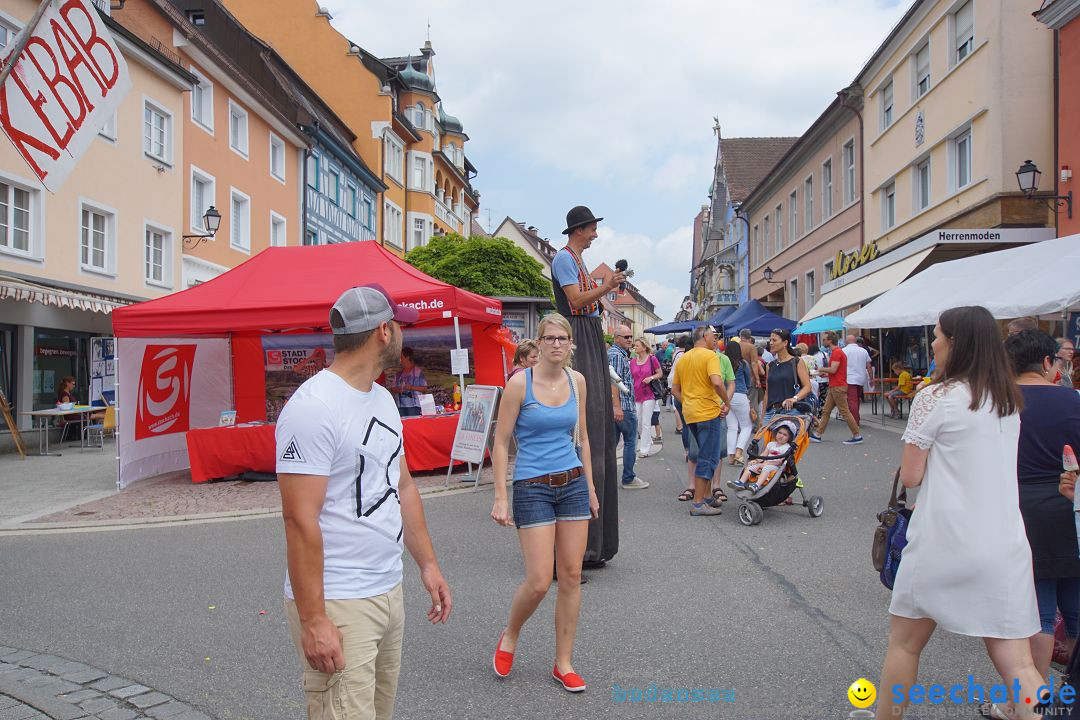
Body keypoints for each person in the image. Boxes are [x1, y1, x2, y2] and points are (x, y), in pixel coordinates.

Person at [276, 285, 452, 720]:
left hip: (387, 590)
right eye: (399, 324)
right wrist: (314, 620)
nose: (402, 333)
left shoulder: (382, 399)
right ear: (382, 332)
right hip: (339, 600)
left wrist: (427, 565)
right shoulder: (313, 407)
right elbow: (300, 521)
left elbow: (403, 485)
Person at [874, 306, 1043, 720]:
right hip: (1004, 542)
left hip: (944, 539)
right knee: (1019, 664)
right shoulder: (1007, 399)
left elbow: (911, 477)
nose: (932, 343)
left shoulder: (936, 397)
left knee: (905, 643)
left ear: (955, 341)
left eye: (937, 335)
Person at [490, 313, 598, 693]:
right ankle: (511, 634)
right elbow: (501, 442)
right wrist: (500, 496)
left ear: (571, 344)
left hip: (572, 484)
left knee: (570, 576)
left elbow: (582, 437)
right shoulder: (520, 384)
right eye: (549, 338)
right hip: (532, 486)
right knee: (538, 581)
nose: (556, 344)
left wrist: (591, 487)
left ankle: (563, 662)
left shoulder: (577, 381)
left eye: (562, 338)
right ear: (537, 344)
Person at [1004, 330, 1080, 685]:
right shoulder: (1074, 401)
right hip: (1071, 505)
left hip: (1020, 510)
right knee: (1076, 609)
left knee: (1040, 614)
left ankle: (1033, 698)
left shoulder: (1001, 405)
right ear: (1049, 362)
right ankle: (1071, 690)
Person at [550, 205, 622, 567]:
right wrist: (605, 288)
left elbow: (588, 302)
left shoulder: (576, 259)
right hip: (578, 334)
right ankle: (578, 546)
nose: (595, 234)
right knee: (586, 426)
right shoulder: (564, 259)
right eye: (593, 228)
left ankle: (596, 544)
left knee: (598, 427)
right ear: (580, 228)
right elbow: (576, 301)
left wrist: (606, 293)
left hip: (589, 335)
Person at [671, 325, 731, 516]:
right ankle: (698, 503)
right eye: (714, 336)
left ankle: (704, 497)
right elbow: (716, 382)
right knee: (709, 457)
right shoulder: (710, 356)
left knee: (703, 454)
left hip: (691, 413)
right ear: (704, 336)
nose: (716, 340)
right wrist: (726, 402)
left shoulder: (683, 358)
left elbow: (674, 390)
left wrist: (688, 402)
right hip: (708, 411)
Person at [608, 324, 647, 489]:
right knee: (630, 441)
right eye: (626, 337)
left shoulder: (616, 354)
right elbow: (613, 381)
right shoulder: (616, 355)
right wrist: (617, 407)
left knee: (611, 444)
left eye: (631, 336)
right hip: (623, 406)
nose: (630, 340)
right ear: (616, 338)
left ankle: (606, 478)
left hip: (619, 406)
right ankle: (629, 478)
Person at [810, 331, 862, 444]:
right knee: (826, 411)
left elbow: (833, 369)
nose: (823, 341)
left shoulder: (836, 352)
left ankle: (857, 435)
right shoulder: (837, 352)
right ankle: (818, 434)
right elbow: (835, 371)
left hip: (838, 386)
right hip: (835, 385)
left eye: (824, 339)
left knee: (844, 412)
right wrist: (824, 373)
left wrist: (821, 369)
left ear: (830, 340)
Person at [761, 329, 813, 425]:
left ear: (785, 343)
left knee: (786, 439)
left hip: (790, 411)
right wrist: (763, 416)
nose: (771, 343)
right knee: (769, 440)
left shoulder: (796, 361)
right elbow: (767, 393)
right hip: (771, 412)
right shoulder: (770, 365)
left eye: (774, 340)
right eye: (770, 340)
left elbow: (807, 387)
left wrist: (794, 398)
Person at [732, 421, 794, 492]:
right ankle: (741, 482)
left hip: (776, 466)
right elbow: (763, 455)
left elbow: (780, 462)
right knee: (750, 467)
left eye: (785, 435)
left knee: (766, 468)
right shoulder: (771, 444)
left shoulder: (787, 447)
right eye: (779, 433)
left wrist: (765, 464)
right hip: (765, 463)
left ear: (789, 438)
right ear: (776, 433)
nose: (781, 436)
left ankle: (756, 485)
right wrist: (756, 461)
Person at [630, 338, 663, 459]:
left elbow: (660, 373)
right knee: (638, 422)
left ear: (644, 347)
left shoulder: (652, 359)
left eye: (637, 346)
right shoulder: (632, 361)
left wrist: (651, 378)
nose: (635, 348)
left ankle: (644, 449)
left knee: (645, 422)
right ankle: (648, 440)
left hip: (649, 394)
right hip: (636, 394)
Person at [724, 340, 753, 466]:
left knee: (732, 427)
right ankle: (738, 451)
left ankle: (730, 457)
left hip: (726, 396)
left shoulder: (724, 363)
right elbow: (748, 381)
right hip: (740, 394)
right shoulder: (743, 363)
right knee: (746, 426)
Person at [843, 334, 873, 427]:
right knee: (857, 399)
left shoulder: (843, 351)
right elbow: (868, 366)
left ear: (847, 342)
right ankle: (856, 418)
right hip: (861, 378)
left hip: (849, 378)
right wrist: (871, 378)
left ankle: (855, 421)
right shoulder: (863, 351)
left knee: (852, 400)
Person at [390, 347, 427, 417]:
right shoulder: (398, 374)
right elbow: (392, 388)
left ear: (407, 357)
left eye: (402, 357)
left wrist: (411, 387)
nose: (400, 360)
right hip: (400, 407)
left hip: (415, 407)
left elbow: (424, 388)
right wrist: (399, 389)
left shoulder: (418, 372)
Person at [739, 329, 764, 429]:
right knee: (753, 403)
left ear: (741, 336)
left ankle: (741, 425)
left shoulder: (735, 346)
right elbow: (754, 363)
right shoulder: (751, 347)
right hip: (750, 378)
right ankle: (757, 425)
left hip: (737, 378)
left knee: (740, 402)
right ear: (750, 337)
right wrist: (757, 379)